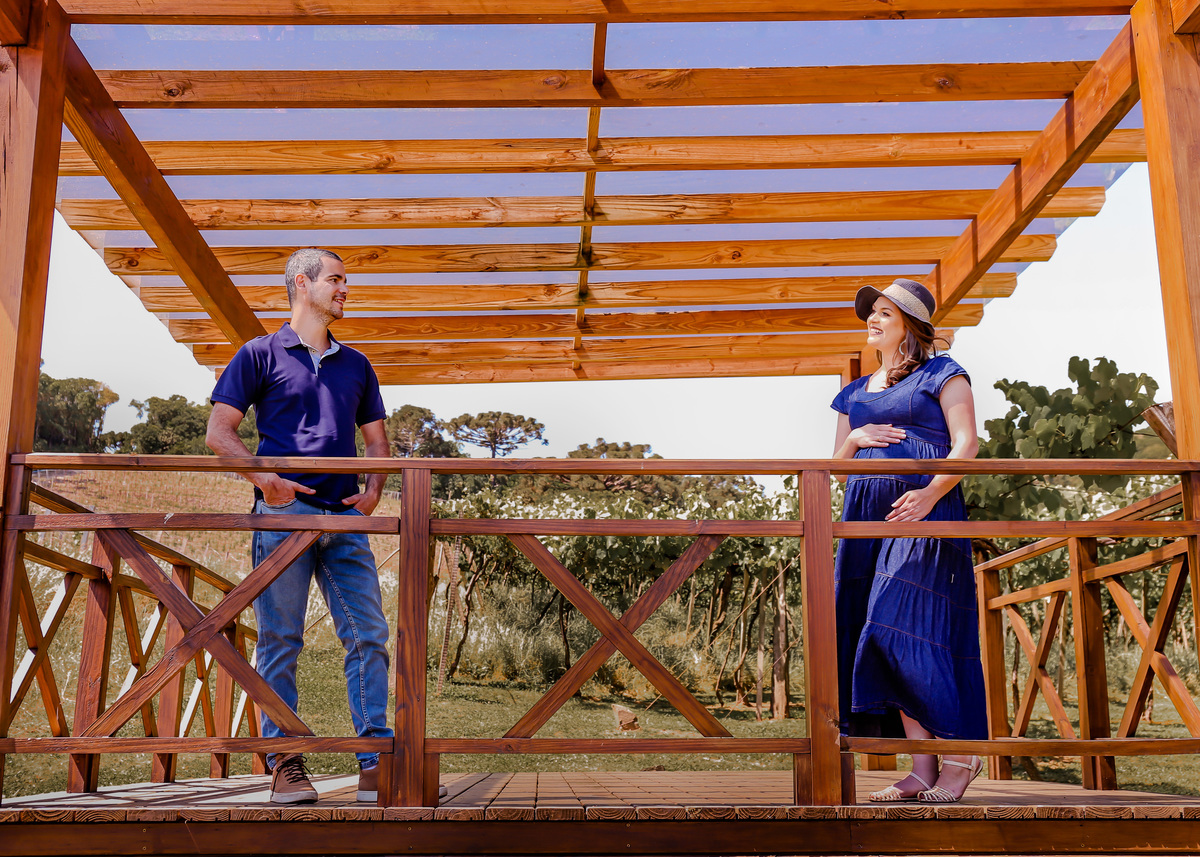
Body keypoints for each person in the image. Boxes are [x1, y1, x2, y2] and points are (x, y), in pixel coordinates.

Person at [205, 248, 393, 805]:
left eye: (344, 281)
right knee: (280, 640)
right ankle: (285, 763)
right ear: (301, 284)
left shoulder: (357, 364)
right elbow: (219, 433)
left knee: (369, 636)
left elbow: (377, 442)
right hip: (283, 519)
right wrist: (266, 480)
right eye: (335, 279)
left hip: (345, 521)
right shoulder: (258, 354)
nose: (344, 289)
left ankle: (375, 764)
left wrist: (373, 492)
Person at [830, 277, 987, 804]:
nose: (872, 320)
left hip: (925, 514)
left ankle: (961, 755)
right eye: (871, 312)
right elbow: (835, 468)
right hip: (864, 520)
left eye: (885, 313)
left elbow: (966, 445)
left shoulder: (944, 373)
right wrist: (854, 438)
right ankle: (922, 768)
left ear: (911, 325)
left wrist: (929, 494)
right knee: (878, 638)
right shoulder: (853, 393)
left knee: (902, 628)